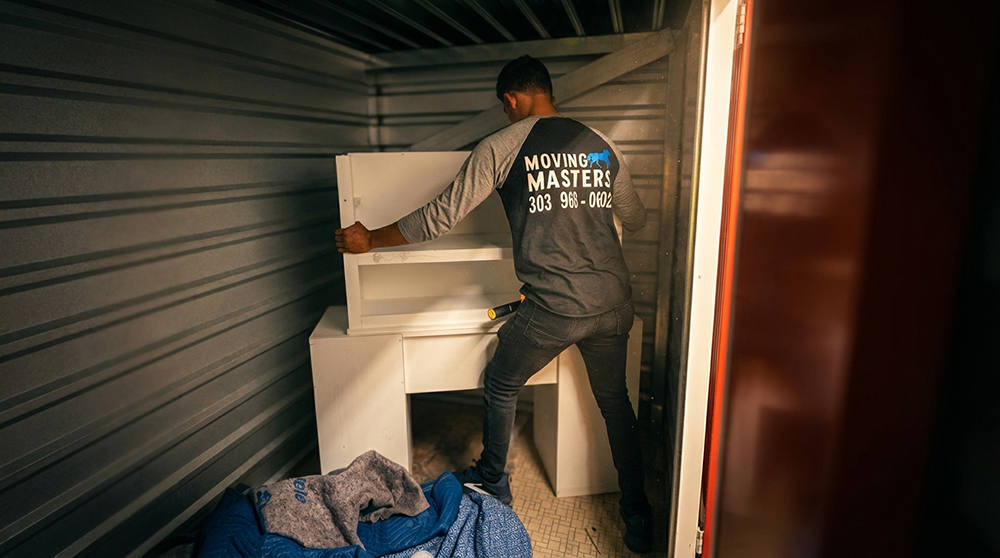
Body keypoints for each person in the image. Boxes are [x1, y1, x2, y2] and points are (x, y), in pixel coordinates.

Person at [335, 55, 653, 553]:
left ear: (511, 100)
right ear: (548, 92)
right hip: (613, 303)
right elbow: (635, 220)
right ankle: (637, 517)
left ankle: (494, 481)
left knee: (502, 380)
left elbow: (440, 217)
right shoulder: (602, 143)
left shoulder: (503, 145)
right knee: (617, 406)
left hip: (554, 309)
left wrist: (369, 239)